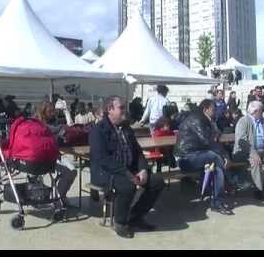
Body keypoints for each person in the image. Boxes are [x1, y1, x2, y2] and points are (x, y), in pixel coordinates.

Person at [89, 96, 165, 238]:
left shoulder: (126, 128)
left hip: (128, 170)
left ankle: (135, 217)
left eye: (125, 107)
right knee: (127, 186)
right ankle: (121, 222)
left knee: (157, 181)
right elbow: (102, 159)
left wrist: (142, 169)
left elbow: (137, 151)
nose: (125, 111)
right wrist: (127, 173)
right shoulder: (98, 130)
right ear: (109, 110)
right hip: (105, 173)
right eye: (121, 108)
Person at [174, 99, 233, 214]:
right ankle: (229, 179)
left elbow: (215, 134)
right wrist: (226, 157)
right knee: (215, 156)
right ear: (205, 109)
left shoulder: (206, 120)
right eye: (213, 110)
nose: (215, 112)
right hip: (185, 158)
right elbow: (208, 141)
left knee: (217, 169)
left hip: (198, 156)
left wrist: (215, 131)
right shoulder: (197, 119)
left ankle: (217, 203)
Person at [233, 101, 264, 201]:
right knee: (256, 162)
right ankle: (258, 190)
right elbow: (241, 140)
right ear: (255, 111)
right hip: (246, 151)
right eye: (261, 111)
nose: (263, 112)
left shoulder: (262, 121)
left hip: (263, 150)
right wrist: (253, 153)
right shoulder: (243, 121)